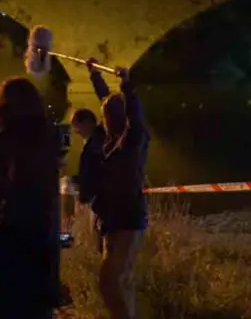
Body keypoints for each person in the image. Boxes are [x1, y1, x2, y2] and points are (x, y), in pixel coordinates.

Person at [81, 60, 149, 319]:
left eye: (105, 116)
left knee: (109, 284)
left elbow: (135, 120)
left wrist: (128, 86)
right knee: (124, 282)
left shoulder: (131, 143)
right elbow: (108, 101)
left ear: (115, 119)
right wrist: (95, 75)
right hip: (113, 219)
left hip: (127, 219)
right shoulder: (111, 140)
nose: (102, 120)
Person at [0, 77, 61, 319]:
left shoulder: (5, 138)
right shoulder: (47, 135)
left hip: (13, 223)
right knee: (37, 295)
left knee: (10, 293)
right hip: (41, 222)